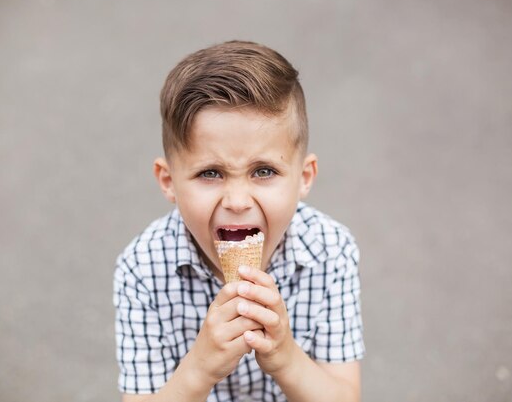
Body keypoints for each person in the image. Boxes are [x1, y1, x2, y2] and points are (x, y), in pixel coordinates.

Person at [113, 40, 365, 402]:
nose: (236, 201)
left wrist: (286, 359)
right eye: (210, 173)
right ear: (168, 181)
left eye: (263, 170)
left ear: (304, 177)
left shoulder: (331, 251)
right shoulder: (142, 268)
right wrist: (200, 368)